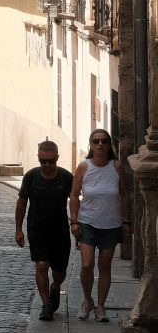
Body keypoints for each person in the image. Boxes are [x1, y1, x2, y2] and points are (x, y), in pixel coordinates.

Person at [69, 128, 130, 322]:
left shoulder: (116, 167)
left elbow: (125, 195)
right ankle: (87, 300)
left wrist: (126, 221)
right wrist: (74, 220)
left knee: (105, 265)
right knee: (87, 264)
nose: (100, 144)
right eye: (96, 141)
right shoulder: (83, 167)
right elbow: (74, 194)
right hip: (87, 223)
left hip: (110, 224)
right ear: (91, 145)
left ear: (109, 144)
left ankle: (101, 306)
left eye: (104, 141)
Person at [15, 141, 73, 321]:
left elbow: (77, 203)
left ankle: (55, 287)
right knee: (41, 265)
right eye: (43, 161)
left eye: (50, 161)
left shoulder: (66, 177)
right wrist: (18, 229)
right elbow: (22, 203)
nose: (47, 165)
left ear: (56, 159)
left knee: (59, 271)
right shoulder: (31, 177)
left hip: (60, 230)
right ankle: (46, 304)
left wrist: (78, 225)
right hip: (37, 229)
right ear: (39, 159)